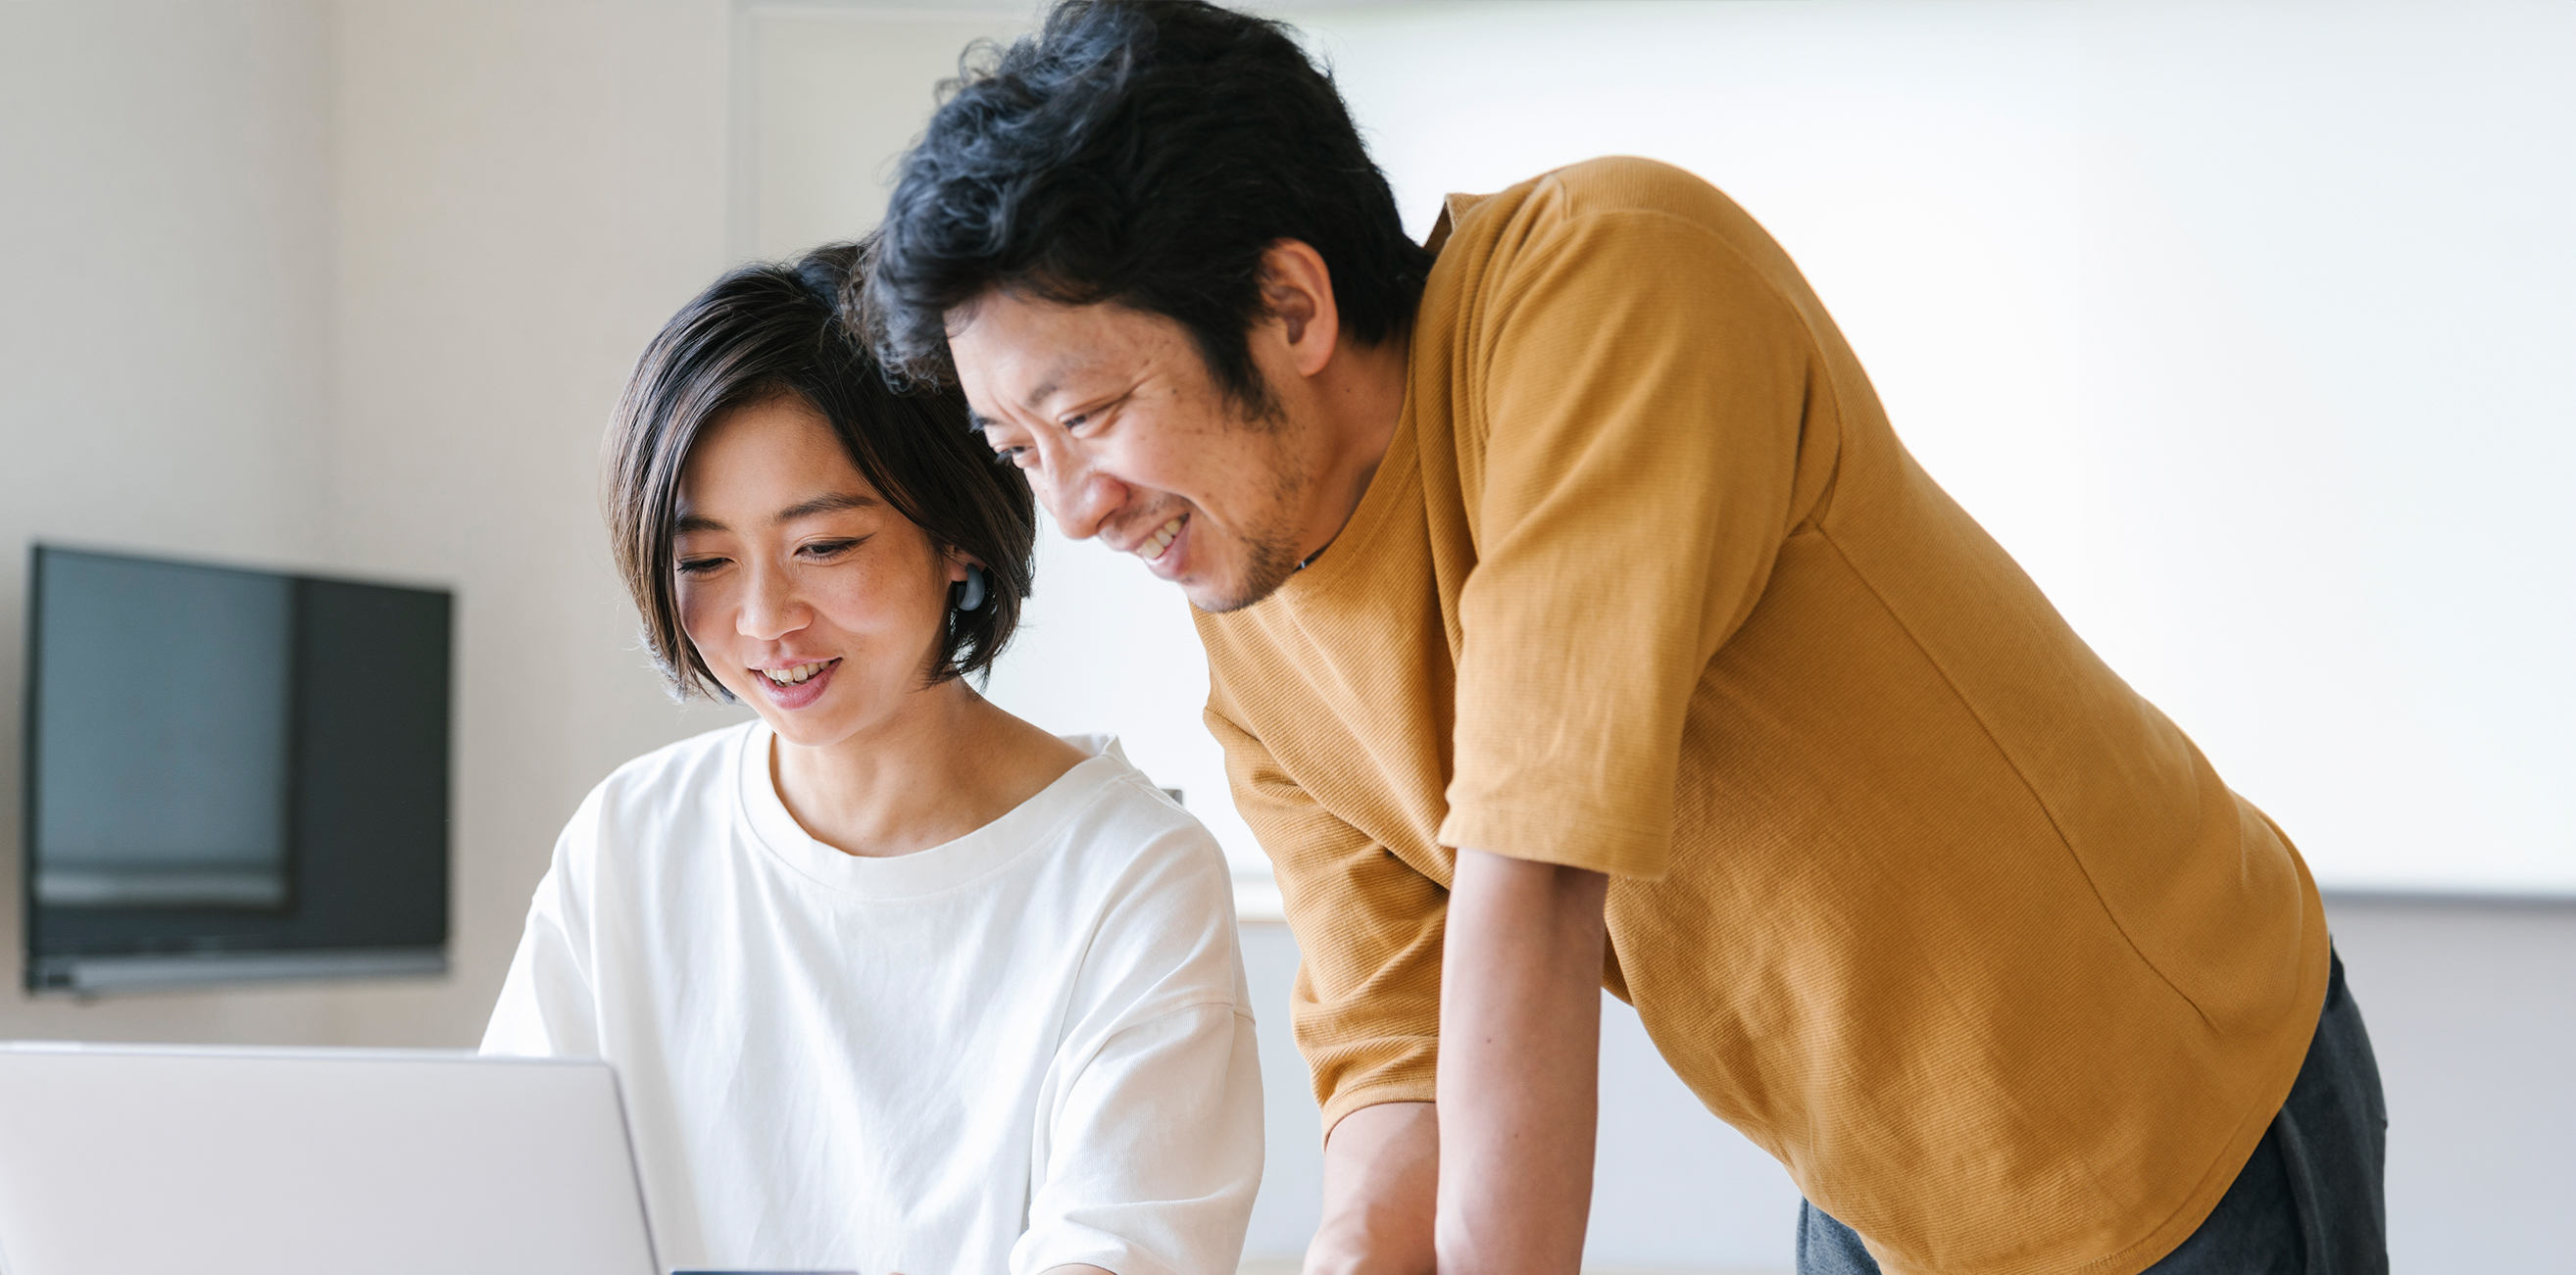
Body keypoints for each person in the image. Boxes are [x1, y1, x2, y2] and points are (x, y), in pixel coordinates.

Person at [859, 5, 2386, 1274]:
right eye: (1014, 446)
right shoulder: (1257, 632)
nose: (1073, 506)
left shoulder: (1606, 288)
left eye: (1089, 416)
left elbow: (1533, 871)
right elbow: (1400, 1075)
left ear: (1289, 303)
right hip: (1874, 1184)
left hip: (2160, 1104)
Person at [481, 242, 1263, 1275]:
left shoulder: (1129, 871)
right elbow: (500, 1202)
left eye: (824, 547)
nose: (764, 619)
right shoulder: (631, 838)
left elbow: (1118, 1250)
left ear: (956, 537)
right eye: (703, 561)